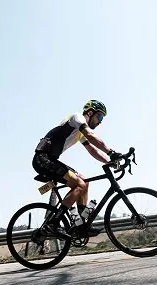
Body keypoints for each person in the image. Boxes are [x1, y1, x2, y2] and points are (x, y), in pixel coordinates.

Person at [32, 99, 121, 240]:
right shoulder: (77, 118)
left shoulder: (78, 132)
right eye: (100, 116)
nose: (101, 121)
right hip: (42, 159)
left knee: (84, 181)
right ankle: (53, 224)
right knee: (79, 184)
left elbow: (92, 150)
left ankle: (81, 225)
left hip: (50, 160)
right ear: (90, 112)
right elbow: (92, 137)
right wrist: (111, 152)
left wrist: (109, 161)